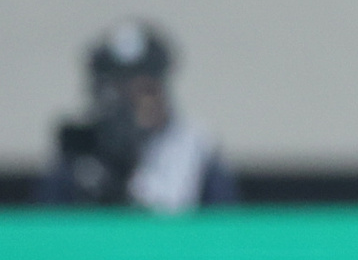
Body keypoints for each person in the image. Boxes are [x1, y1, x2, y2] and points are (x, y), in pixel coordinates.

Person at [39, 20, 234, 212]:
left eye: (142, 89)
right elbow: (48, 226)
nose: (130, 102)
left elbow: (223, 226)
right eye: (118, 88)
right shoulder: (80, 153)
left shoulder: (194, 147)